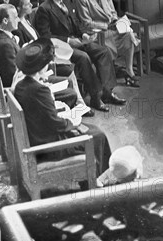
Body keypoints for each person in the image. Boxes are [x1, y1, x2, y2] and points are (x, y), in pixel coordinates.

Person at [13, 39, 111, 174]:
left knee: (92, 130)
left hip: (36, 137)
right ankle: (98, 180)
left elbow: (45, 116)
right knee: (98, 135)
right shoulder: (39, 90)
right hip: (48, 146)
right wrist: (72, 122)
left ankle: (97, 177)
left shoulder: (20, 86)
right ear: (42, 67)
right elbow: (55, 123)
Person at [34, 0, 126, 111]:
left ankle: (107, 92)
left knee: (103, 51)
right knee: (83, 57)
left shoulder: (66, 1)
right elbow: (45, 36)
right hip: (60, 47)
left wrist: (83, 34)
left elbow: (76, 23)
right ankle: (96, 97)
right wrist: (68, 41)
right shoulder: (45, 9)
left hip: (77, 40)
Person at [75, 0, 140, 87]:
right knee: (106, 43)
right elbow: (86, 23)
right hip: (97, 33)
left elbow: (112, 11)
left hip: (112, 27)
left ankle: (129, 70)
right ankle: (109, 75)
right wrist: (106, 25)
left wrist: (115, 20)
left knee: (128, 34)